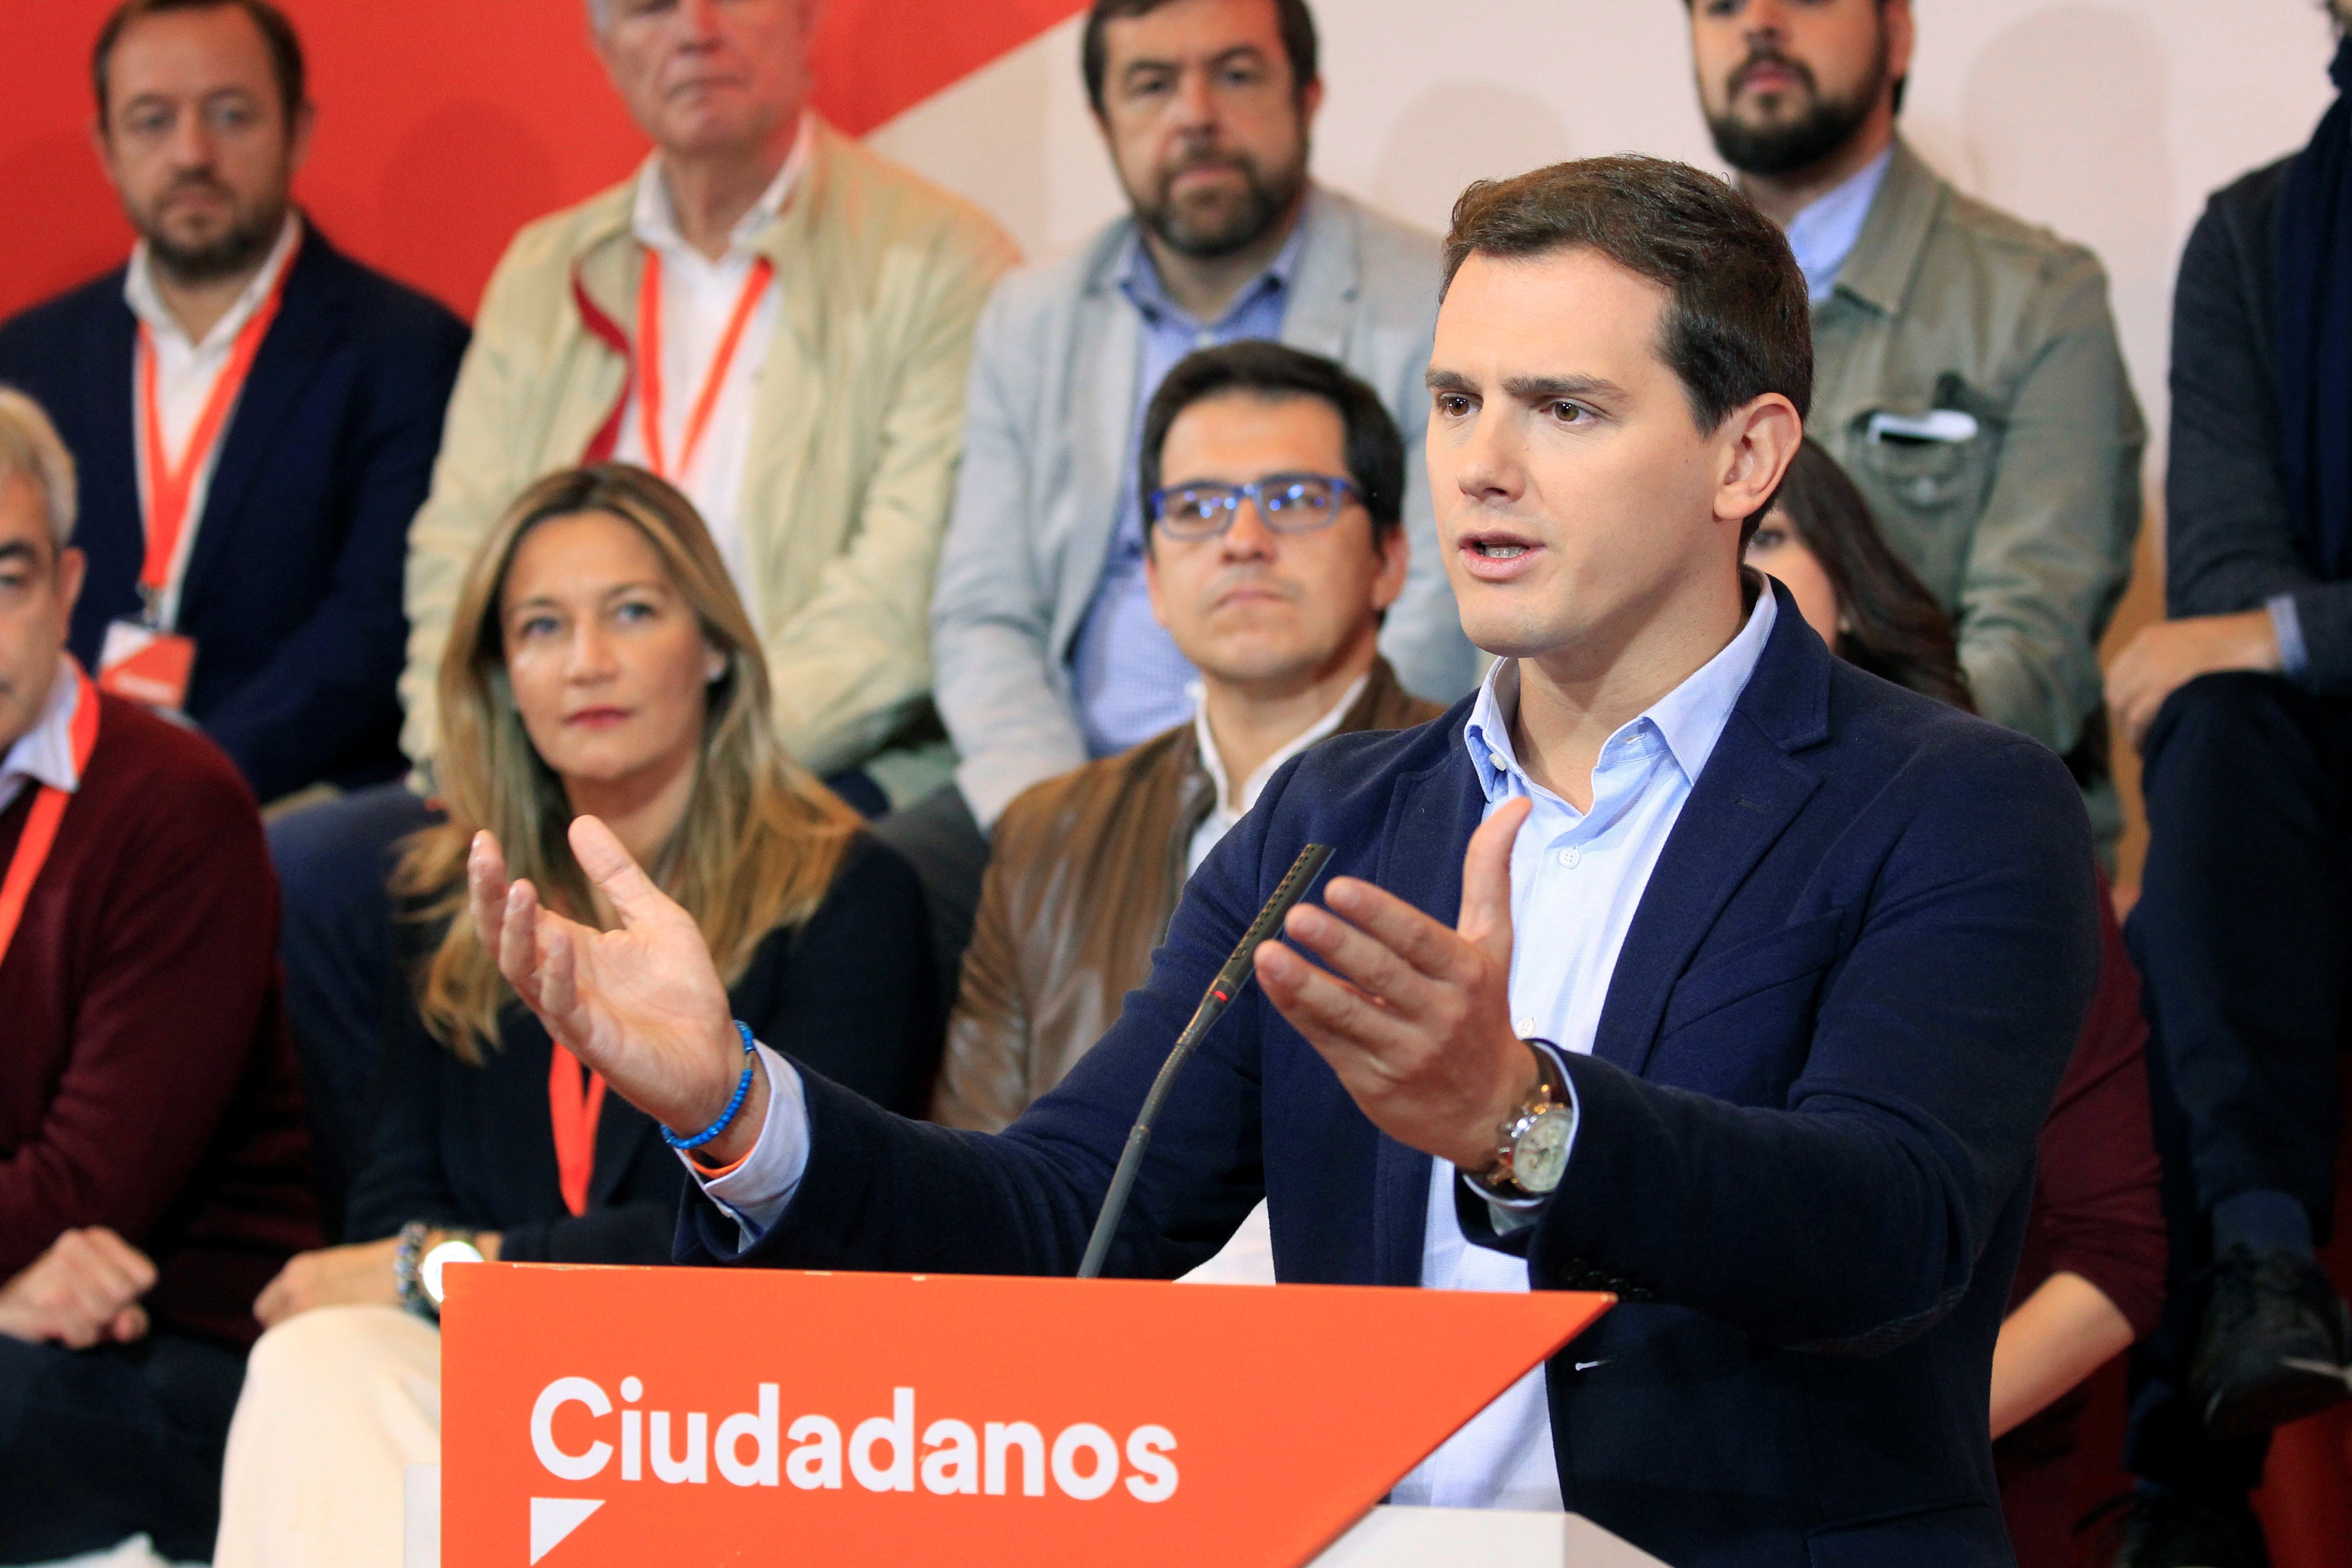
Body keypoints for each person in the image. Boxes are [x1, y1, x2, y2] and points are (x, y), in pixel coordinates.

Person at [473, 157, 2105, 1566]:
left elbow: (1888, 1231)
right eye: (1456, 401)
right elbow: (1064, 1212)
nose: (1481, 463)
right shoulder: (1334, 817)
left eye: (1563, 408)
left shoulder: (1953, 800)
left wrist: (1521, 1119)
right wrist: (734, 1107)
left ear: (1744, 458)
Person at [268, 0, 1015, 1235]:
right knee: (331, 874)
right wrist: (475, 750)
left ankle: (643, 1255)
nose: (696, 28)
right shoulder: (544, 266)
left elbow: (895, 603)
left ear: (806, 17)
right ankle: (403, 1253)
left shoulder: (940, 255)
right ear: (601, 44)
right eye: (652, 5)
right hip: (559, 747)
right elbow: (459, 552)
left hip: (812, 747)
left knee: (823, 888)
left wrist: (709, 742)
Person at [209, 464, 943, 1568]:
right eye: (542, 627)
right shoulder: (453, 905)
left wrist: (462, 1266)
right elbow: (393, 1206)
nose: (586, 661)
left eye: (632, 613)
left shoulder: (844, 893)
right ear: (502, 677)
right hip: (517, 1374)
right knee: (319, 1355)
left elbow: (788, 1234)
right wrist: (449, 1270)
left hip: (742, 1400)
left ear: (715, 647)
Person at [898, 0, 1476, 983]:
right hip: (1080, 779)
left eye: (1236, 74)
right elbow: (985, 612)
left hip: (1328, 771)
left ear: (1308, 96)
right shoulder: (1033, 316)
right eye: (1153, 84)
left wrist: (1300, 794)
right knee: (876, 886)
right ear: (1104, 122)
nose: (1196, 114)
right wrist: (1070, 824)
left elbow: (1439, 588)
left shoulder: (1428, 296)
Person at [1752, 440, 2166, 1568]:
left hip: (1917, 1506)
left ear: (1854, 590)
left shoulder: (1991, 829)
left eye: (1770, 535)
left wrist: (1858, 1466)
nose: (1730, 571)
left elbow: (2114, 1264)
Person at [933, 341, 1442, 1132]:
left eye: (1296, 498)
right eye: (1198, 509)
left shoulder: (1482, 791)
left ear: (1390, 559)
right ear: (1154, 581)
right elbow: (990, 1167)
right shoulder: (1049, 838)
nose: (1243, 540)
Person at [1684, 0, 2144, 860]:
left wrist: (1799, 803)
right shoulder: (1636, 304)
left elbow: (2032, 652)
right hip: (1662, 827)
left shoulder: (2038, 301)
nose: (1759, 23)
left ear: (1896, 33)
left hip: (1955, 840)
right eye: (1721, 6)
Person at [2099, 15, 2352, 1564]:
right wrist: (2275, 639)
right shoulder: (2260, 236)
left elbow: (2260, 617)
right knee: (2214, 726)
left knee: (2236, 680)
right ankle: (2260, 1280)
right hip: (2318, 789)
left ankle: (2180, 1473)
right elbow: (2223, 585)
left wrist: (2294, 631)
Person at [0, 0, 467, 808]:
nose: (192, 154)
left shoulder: (408, 352)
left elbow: (377, 620)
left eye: (230, 115)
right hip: (52, 791)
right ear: (106, 148)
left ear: (299, 130)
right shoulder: (26, 361)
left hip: (296, 806)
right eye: (152, 121)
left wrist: (184, 781)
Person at [0, 387, 315, 1562]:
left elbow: (88, 1187)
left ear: (69, 588)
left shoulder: (176, 807)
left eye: (6, 579)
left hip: (166, 1349)